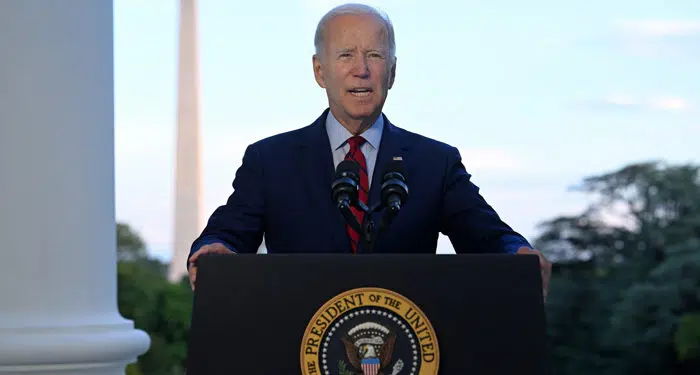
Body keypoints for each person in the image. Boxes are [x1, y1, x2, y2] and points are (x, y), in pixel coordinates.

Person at [187, 3, 551, 297]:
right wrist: (215, 250)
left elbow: (487, 236)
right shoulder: (269, 161)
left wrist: (516, 253)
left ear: (392, 72)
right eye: (345, 55)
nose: (361, 70)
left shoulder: (435, 163)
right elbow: (229, 233)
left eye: (374, 56)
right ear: (319, 71)